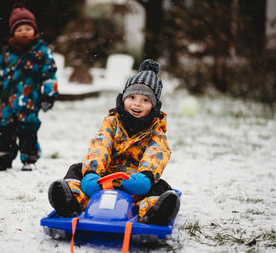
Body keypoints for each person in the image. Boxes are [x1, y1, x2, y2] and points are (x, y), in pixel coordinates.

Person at [47, 59, 180, 226]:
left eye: (145, 100)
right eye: (132, 97)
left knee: (161, 187)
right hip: (103, 178)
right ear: (123, 98)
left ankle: (153, 214)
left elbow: (157, 152)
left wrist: (146, 176)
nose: (137, 103)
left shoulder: (156, 131)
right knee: (75, 169)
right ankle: (71, 203)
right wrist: (92, 172)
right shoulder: (111, 122)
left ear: (154, 106)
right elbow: (100, 144)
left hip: (135, 182)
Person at [0, 2, 58, 171]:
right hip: (7, 102)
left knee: (27, 130)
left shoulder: (42, 52)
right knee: (4, 127)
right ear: (13, 33)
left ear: (34, 30)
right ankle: (4, 158)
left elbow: (49, 74)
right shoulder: (7, 53)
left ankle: (29, 159)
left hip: (30, 101)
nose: (24, 32)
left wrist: (49, 96)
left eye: (27, 28)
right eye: (19, 29)